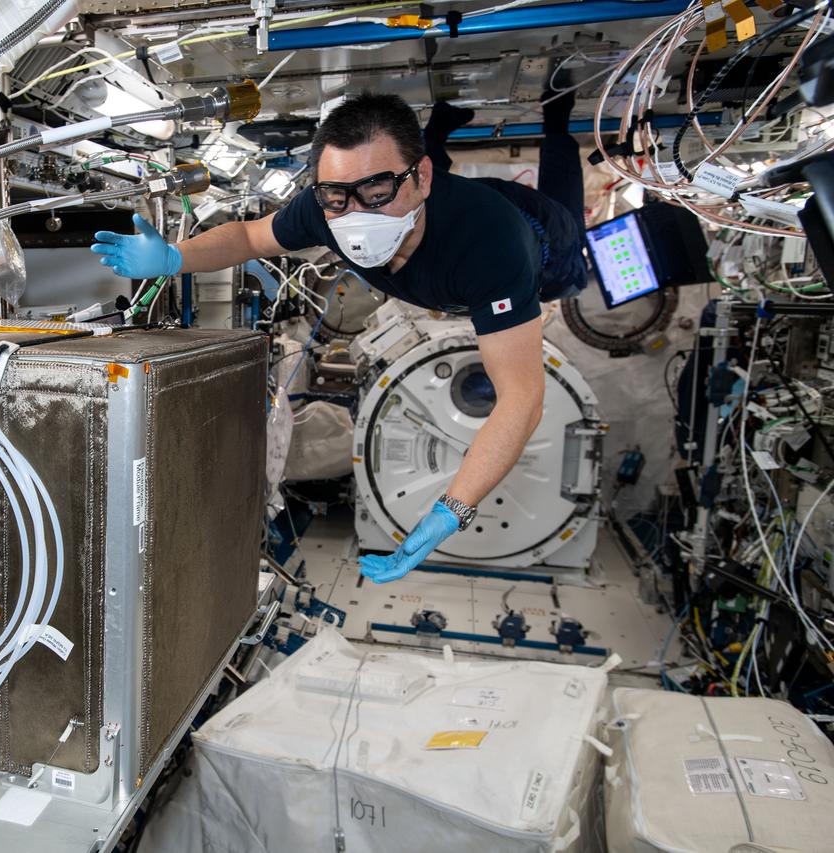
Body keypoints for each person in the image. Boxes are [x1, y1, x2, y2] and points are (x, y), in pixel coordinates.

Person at [91, 88, 588, 583]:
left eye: (376, 194)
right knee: (386, 183)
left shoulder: (493, 249)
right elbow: (248, 236)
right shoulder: (327, 208)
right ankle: (438, 127)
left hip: (542, 237)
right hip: (437, 205)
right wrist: (175, 257)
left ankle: (556, 120)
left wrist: (452, 508)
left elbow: (521, 398)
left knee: (571, 249)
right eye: (337, 197)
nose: (357, 217)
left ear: (420, 179)